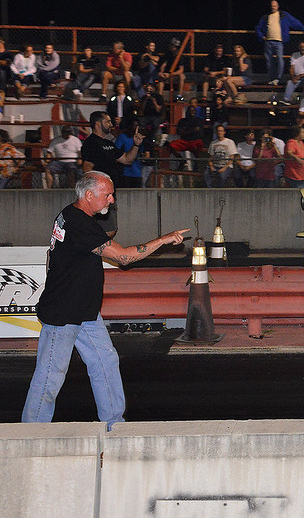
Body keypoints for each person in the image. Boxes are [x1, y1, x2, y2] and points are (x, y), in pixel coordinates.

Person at [22, 171, 189, 430]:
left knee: (106, 361)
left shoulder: (68, 214)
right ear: (89, 195)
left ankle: (114, 424)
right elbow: (123, 257)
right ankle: (30, 434)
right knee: (49, 376)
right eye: (107, 194)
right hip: (64, 313)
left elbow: (50, 255)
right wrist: (164, 239)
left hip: (85, 311)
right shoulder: (80, 224)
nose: (111, 200)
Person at [81, 110, 144, 235]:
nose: (111, 124)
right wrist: (95, 192)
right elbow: (87, 167)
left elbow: (126, 159)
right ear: (98, 124)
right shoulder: (90, 143)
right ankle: (97, 252)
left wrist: (136, 145)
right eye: (107, 121)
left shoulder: (109, 143)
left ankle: (96, 252)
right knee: (107, 230)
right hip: (99, 195)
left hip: (109, 194)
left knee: (109, 230)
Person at [256, 0, 304, 85]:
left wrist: (303, 29)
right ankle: (272, 78)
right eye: (272, 6)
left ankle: (279, 78)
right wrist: (262, 36)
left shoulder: (283, 15)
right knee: (269, 61)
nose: (273, 7)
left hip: (279, 41)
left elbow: (294, 22)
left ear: (278, 6)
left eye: (275, 6)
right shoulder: (266, 17)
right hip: (268, 41)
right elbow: (258, 28)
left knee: (280, 59)